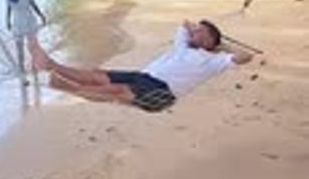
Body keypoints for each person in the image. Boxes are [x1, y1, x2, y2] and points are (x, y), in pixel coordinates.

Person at [29, 19, 253, 112]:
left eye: (201, 33)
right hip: (142, 76)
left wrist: (221, 46)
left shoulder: (213, 61)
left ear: (209, 42)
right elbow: (185, 23)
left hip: (161, 93)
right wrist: (200, 29)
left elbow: (246, 57)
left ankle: (59, 85)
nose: (195, 32)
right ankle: (50, 65)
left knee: (112, 92)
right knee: (96, 76)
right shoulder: (183, 43)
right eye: (197, 31)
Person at [6, 0, 46, 75]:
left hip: (17, 22)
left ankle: (21, 69)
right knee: (33, 45)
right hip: (29, 21)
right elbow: (33, 5)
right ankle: (34, 67)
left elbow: (8, 10)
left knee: (19, 47)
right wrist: (41, 15)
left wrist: (8, 22)